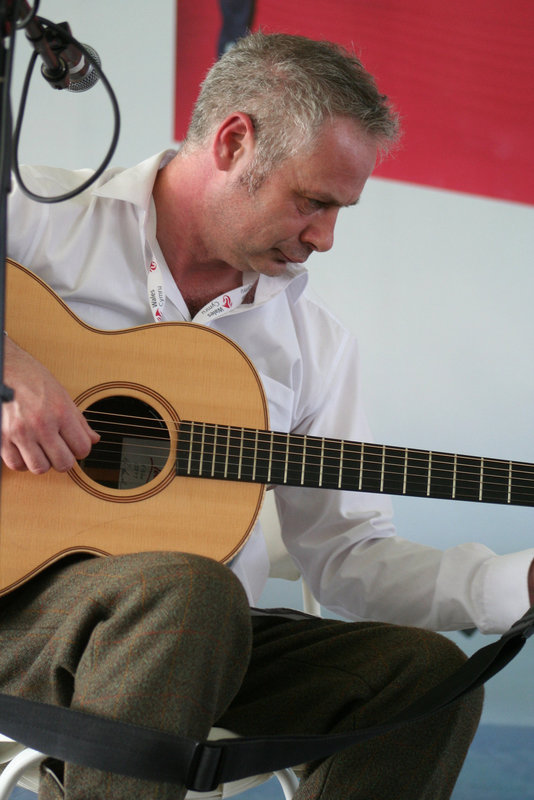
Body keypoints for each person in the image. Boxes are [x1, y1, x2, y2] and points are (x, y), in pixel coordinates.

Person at [1, 31, 532, 800]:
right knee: (190, 592)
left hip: (190, 645)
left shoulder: (311, 346)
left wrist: (515, 583)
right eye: (312, 201)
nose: (325, 237)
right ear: (233, 141)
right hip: (22, 617)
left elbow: (349, 556)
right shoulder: (41, 220)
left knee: (420, 675)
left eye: (340, 210)